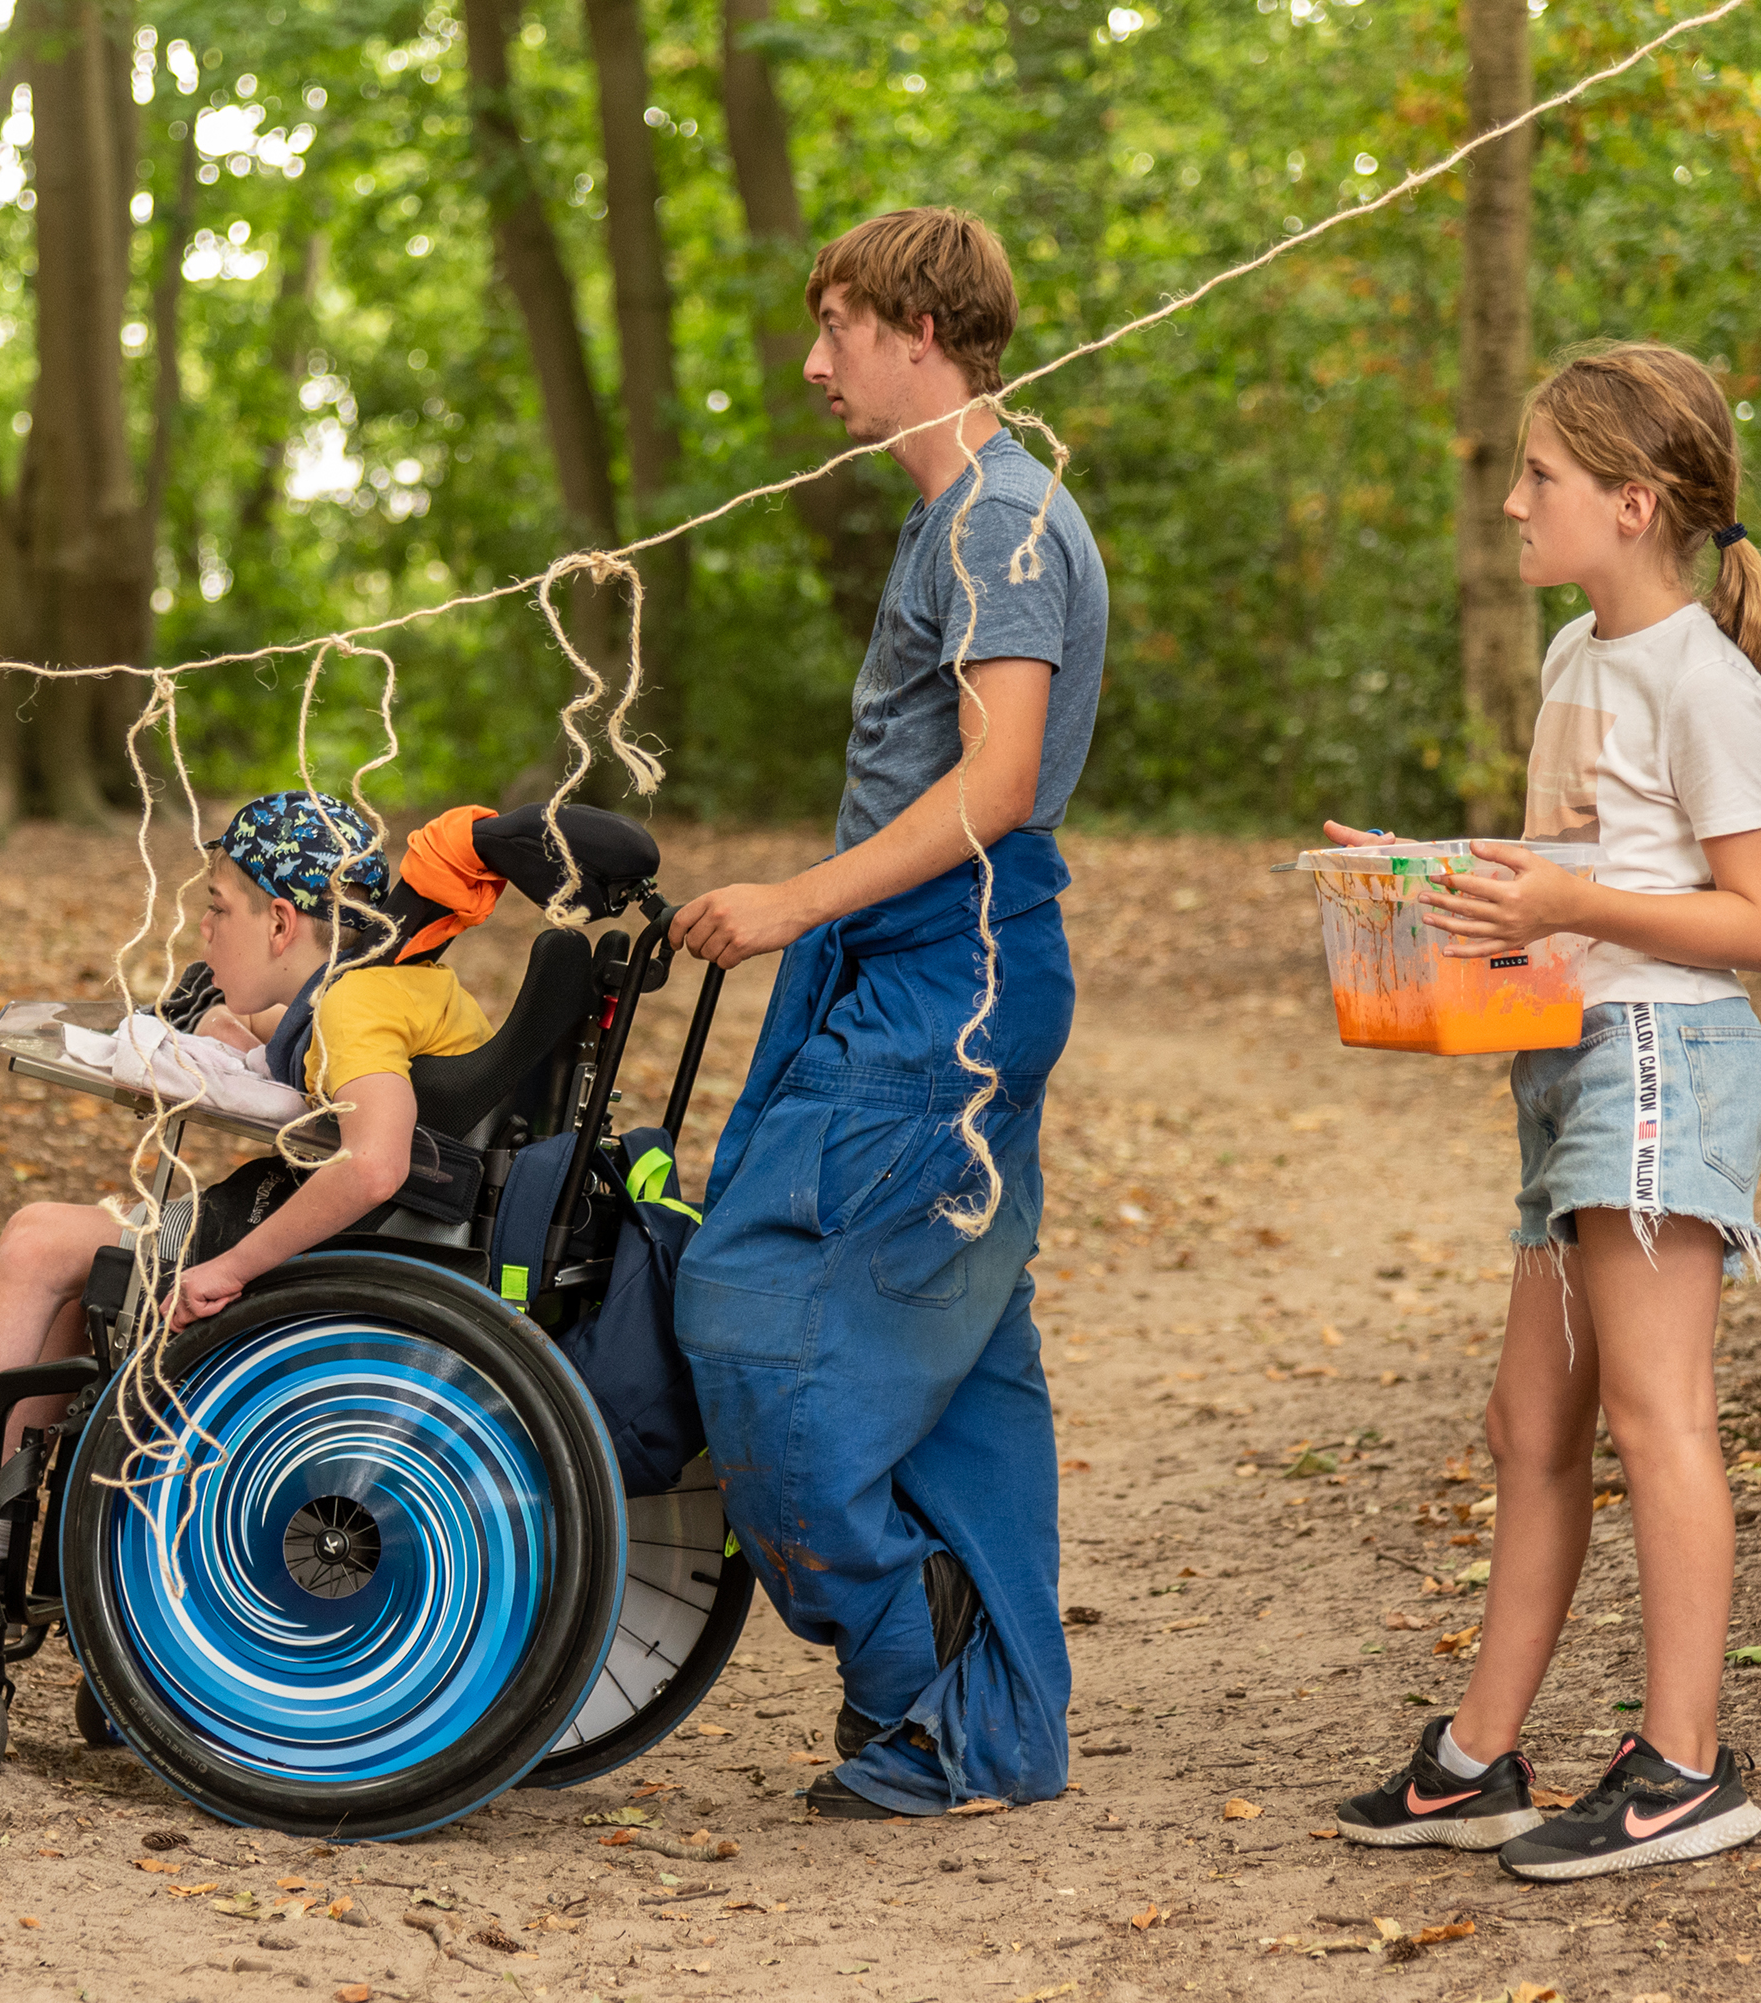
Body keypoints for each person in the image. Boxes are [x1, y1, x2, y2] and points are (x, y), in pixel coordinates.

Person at [1329, 341, 1761, 1879]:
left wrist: (1563, 893)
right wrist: (1436, 876)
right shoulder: (1572, 657)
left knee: (1654, 1410)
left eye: (1537, 476)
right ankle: (1481, 1757)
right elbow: (1577, 876)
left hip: (1668, 1062)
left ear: (1633, 501)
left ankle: (1686, 1763)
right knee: (1524, 1419)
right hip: (1571, 1059)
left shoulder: (1704, 680)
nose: (1508, 499)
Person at [667, 208, 1106, 1820]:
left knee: (747, 1295)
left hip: (956, 977)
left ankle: (902, 1640)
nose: (815, 361)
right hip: (913, 966)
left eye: (838, 323)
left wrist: (794, 898)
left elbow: (995, 783)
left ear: (920, 328)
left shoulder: (1003, 522)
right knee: (970, 1352)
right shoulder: (957, 522)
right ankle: (985, 1736)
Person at [0, 791, 494, 1637]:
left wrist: (231, 1266)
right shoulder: (380, 985)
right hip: (376, 1237)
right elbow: (328, 1069)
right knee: (83, 1273)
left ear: (282, 924)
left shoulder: (350, 1009)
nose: (205, 931)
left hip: (334, 1245)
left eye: (219, 909)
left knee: (38, 1240)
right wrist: (238, 1034)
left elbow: (373, 1162)